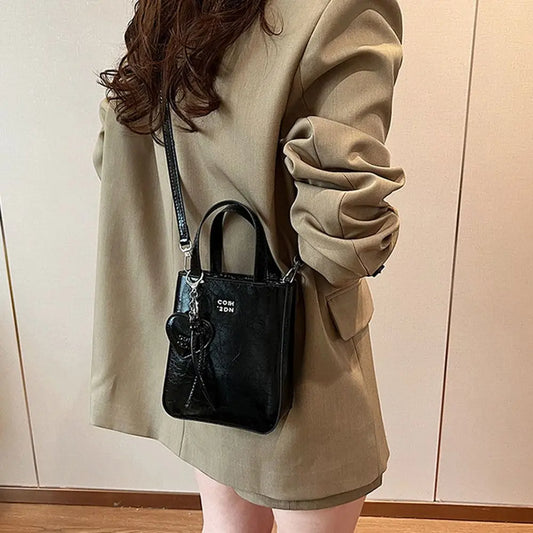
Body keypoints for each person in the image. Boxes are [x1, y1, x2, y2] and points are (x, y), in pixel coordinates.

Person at [89, 0, 405, 531]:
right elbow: (343, 241)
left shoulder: (170, 7)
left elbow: (112, 155)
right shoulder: (341, 10)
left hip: (202, 339)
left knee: (228, 525)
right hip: (299, 360)